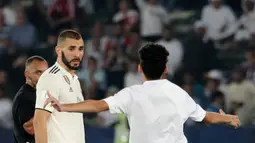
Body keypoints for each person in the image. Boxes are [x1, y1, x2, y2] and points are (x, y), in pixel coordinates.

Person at [44, 43, 240, 143]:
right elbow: (206, 117)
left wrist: (63, 106)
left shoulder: (131, 93)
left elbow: (96, 105)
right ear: (165, 69)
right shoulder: (179, 93)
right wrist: (229, 119)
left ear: (139, 68)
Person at [33, 30, 85, 143]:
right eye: (71, 49)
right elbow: (39, 121)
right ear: (59, 50)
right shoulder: (51, 77)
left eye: (80, 49)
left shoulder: (75, 80)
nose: (77, 54)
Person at [12, 56, 48, 143]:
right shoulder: (24, 97)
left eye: (45, 72)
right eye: (38, 72)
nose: (43, 76)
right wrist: (50, 108)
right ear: (27, 74)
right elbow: (30, 128)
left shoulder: (39, 93)